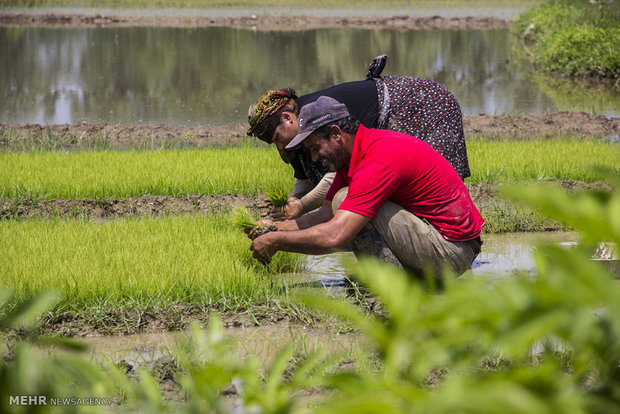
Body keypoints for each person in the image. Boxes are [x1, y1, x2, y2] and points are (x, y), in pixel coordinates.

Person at [248, 96, 484, 278]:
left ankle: (391, 289)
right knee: (342, 203)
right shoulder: (353, 154)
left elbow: (336, 236)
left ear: (335, 134)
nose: (314, 158)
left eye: (315, 148)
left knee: (345, 202)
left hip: (452, 251)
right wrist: (274, 228)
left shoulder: (377, 159)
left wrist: (277, 241)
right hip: (436, 239)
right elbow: (324, 214)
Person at [247, 55, 471, 221]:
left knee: (434, 186)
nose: (280, 146)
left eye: (277, 138)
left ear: (287, 118)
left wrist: (301, 207)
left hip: (418, 105)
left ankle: (453, 236)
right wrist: (289, 205)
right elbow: (305, 180)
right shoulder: (297, 137)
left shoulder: (317, 117)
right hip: (397, 115)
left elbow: (334, 177)